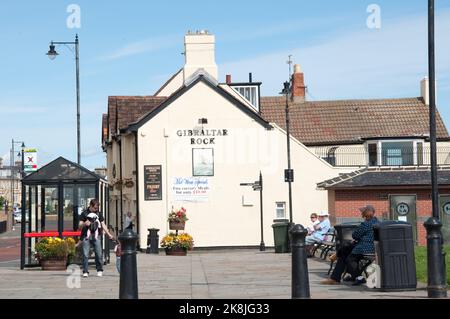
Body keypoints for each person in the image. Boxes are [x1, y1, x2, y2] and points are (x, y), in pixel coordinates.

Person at [321, 204, 380, 286]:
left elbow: (355, 235)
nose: (361, 214)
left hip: (364, 249)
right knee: (345, 251)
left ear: (364, 214)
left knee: (348, 257)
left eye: (362, 212)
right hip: (374, 248)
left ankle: (358, 278)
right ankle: (340, 276)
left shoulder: (365, 224)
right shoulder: (378, 222)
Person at [79, 199, 114, 278]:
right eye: (95, 208)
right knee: (85, 254)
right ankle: (85, 271)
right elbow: (79, 226)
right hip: (86, 236)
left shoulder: (99, 214)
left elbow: (103, 224)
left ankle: (99, 270)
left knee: (99, 253)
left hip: (96, 235)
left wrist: (109, 234)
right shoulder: (84, 213)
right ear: (90, 206)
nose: (96, 209)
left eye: (97, 208)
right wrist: (84, 223)